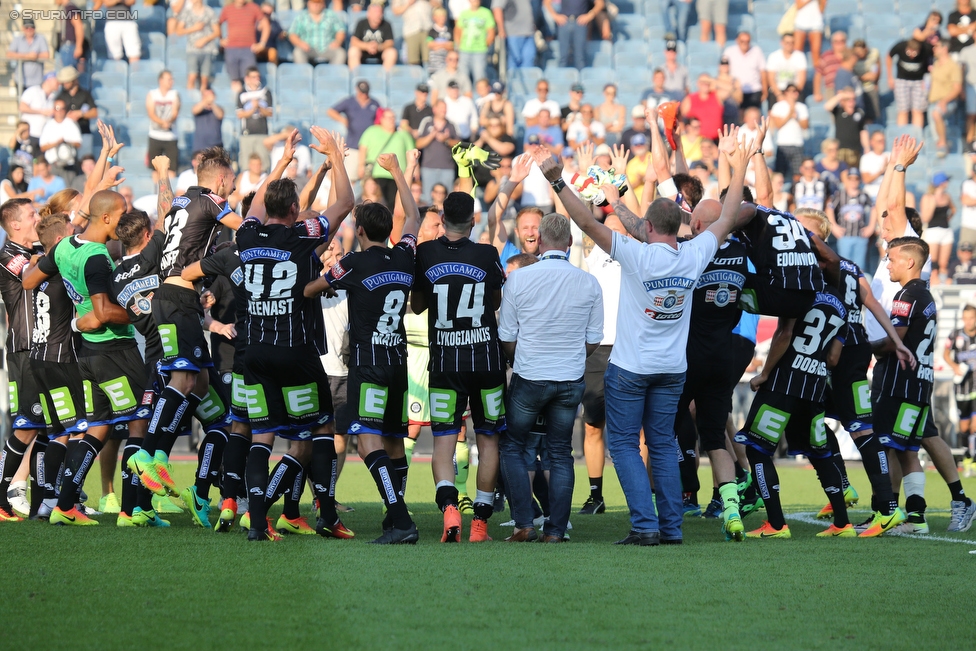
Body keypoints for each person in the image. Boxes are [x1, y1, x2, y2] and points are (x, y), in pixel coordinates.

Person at [534, 127, 758, 546]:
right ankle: (671, 527)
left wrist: (557, 180)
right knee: (660, 443)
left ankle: (645, 526)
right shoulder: (694, 253)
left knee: (622, 443)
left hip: (632, 366)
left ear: (648, 226)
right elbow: (728, 217)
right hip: (673, 368)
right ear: (681, 225)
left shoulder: (636, 253)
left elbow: (583, 220)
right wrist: (741, 162)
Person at [234, 129, 354, 542]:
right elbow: (345, 204)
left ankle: (256, 519)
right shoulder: (302, 236)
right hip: (295, 351)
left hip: (254, 352)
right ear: (296, 209)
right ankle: (324, 515)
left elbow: (253, 204)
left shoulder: (245, 236)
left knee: (261, 434)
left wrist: (281, 164)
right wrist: (336, 156)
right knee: (319, 431)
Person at [864, 135, 976, 533]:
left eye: (891, 236)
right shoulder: (901, 265)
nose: (884, 237)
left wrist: (898, 168)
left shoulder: (908, 272)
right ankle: (912, 511)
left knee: (899, 440)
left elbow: (890, 209)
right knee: (913, 439)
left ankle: (897, 507)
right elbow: (886, 209)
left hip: (897, 364)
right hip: (905, 366)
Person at [307, 152, 420, 543]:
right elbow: (416, 219)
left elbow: (310, 289)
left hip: (369, 363)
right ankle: (396, 515)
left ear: (358, 228)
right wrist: (399, 173)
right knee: (392, 441)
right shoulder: (405, 255)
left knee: (366, 441)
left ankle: (400, 517)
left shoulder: (352, 262)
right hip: (398, 361)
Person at [498, 213, 603, 543]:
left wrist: (520, 357)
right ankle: (555, 531)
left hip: (530, 375)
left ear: (540, 241)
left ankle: (523, 523)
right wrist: (572, 358)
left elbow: (507, 336)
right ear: (569, 243)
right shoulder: (588, 282)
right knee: (560, 454)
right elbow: (593, 339)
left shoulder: (519, 280)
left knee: (513, 448)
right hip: (570, 378)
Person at [412, 188, 506, 543]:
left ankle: (450, 506)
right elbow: (495, 299)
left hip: (445, 362)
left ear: (443, 220)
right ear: (471, 220)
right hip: (486, 360)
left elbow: (418, 305)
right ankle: (480, 523)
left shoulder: (426, 253)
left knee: (443, 443)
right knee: (489, 440)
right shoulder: (487, 254)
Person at [0, 198, 44, 522]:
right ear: (15, 224)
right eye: (32, 214)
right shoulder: (7, 257)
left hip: (45, 349)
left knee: (45, 424)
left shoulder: (33, 252)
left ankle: (45, 501)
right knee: (27, 426)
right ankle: (3, 496)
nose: (38, 218)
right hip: (23, 349)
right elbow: (30, 273)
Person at [328, 81, 382, 190]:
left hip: (370, 148)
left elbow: (380, 119)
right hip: (353, 145)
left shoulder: (374, 103)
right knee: (350, 177)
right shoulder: (350, 102)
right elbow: (331, 111)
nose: (364, 95)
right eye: (362, 92)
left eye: (365, 92)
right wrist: (343, 120)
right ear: (357, 90)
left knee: (369, 180)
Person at [359, 109, 415, 209]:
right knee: (378, 202)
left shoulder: (403, 134)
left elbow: (411, 152)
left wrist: (415, 170)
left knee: (395, 203)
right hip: (377, 174)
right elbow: (363, 148)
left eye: (393, 117)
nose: (392, 120)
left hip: (397, 175)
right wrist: (361, 166)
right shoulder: (372, 131)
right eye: (389, 117)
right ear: (382, 119)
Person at [945, 305, 976, 467]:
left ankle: (975, 459)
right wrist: (955, 367)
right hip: (961, 388)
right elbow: (945, 353)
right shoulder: (955, 335)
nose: (968, 322)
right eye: (966, 318)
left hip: (975, 387)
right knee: (964, 427)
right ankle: (967, 457)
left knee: (975, 425)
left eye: (971, 318)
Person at [219, 0, 270, 95]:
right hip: (231, 49)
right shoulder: (227, 9)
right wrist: (221, 39)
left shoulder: (253, 8)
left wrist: (262, 43)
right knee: (235, 82)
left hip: (248, 49)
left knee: (251, 80)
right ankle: (239, 105)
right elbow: (217, 23)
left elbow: (265, 24)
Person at [828, 167, 874, 269]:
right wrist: (833, 226)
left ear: (859, 180)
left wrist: (871, 226)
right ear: (847, 180)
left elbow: (874, 208)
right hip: (845, 235)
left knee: (859, 268)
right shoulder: (840, 195)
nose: (853, 181)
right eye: (851, 179)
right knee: (844, 267)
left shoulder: (864, 195)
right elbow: (829, 208)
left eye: (856, 179)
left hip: (860, 235)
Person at [416, 100, 460, 202]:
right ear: (434, 109)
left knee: (447, 199)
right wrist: (432, 135)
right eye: (441, 108)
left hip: (447, 167)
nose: (443, 110)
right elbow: (418, 143)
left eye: (445, 108)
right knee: (428, 198)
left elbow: (459, 144)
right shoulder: (427, 122)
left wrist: (446, 140)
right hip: (428, 167)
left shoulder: (451, 124)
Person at [543, 0, 604, 70]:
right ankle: (562, 78)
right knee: (563, 58)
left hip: (580, 23)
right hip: (564, 23)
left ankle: (580, 79)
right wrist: (555, 16)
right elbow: (546, 2)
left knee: (580, 58)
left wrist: (590, 15)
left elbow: (600, 3)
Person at [928, 39, 963, 158]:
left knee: (937, 113)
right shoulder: (936, 63)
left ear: (944, 48)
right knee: (934, 131)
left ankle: (943, 144)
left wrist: (944, 101)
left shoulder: (953, 65)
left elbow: (957, 88)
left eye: (936, 46)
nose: (934, 49)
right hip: (933, 101)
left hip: (947, 101)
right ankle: (941, 149)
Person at [920, 172, 956, 283]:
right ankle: (933, 283)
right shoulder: (927, 197)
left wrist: (947, 219)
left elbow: (953, 209)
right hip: (932, 231)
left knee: (943, 263)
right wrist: (933, 203)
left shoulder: (947, 196)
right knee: (933, 262)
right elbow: (926, 218)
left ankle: (944, 283)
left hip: (946, 230)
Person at [176, 0, 221, 90]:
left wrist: (205, 39)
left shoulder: (209, 12)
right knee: (192, 77)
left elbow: (217, 32)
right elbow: (179, 31)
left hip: (207, 50)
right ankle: (190, 100)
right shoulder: (186, 12)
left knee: (204, 79)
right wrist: (194, 28)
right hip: (192, 50)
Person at [887, 39, 930, 129]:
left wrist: (926, 81)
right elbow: (889, 56)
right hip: (902, 81)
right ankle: (902, 136)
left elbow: (931, 64)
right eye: (910, 52)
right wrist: (890, 77)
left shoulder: (926, 49)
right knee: (903, 110)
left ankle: (916, 136)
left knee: (918, 110)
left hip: (919, 82)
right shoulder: (900, 46)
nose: (912, 55)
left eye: (915, 53)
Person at [236, 66, 273, 172]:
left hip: (262, 133)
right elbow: (240, 114)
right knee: (246, 166)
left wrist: (259, 107)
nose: (257, 79)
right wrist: (252, 109)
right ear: (247, 78)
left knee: (264, 165)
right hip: (247, 134)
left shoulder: (266, 92)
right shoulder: (241, 93)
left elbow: (270, 112)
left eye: (258, 76)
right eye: (253, 77)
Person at [55, 67, 97, 159]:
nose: (64, 84)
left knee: (85, 159)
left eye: (67, 81)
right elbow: (55, 114)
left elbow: (94, 112)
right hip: (66, 135)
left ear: (74, 80)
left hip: (83, 131)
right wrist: (67, 117)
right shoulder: (61, 96)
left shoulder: (85, 94)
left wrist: (81, 114)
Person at [289, 0, 347, 65]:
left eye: (318, 3)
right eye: (314, 3)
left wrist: (338, 41)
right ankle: (304, 73)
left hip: (328, 47)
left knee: (341, 53)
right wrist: (300, 43)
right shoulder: (301, 17)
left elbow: (341, 30)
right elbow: (292, 34)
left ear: (323, 4)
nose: (316, 5)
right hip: (308, 48)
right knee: (297, 52)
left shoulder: (331, 15)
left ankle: (334, 73)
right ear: (308, 4)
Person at [40, 99, 82, 184]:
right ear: (54, 110)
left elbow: (78, 143)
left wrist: (66, 142)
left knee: (68, 192)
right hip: (53, 164)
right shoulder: (48, 125)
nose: (60, 111)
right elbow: (43, 147)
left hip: (68, 164)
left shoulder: (71, 124)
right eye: (57, 108)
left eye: (62, 108)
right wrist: (56, 143)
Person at [146, 71, 181, 173]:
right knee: (155, 169)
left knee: (171, 168)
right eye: (169, 79)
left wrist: (168, 122)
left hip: (171, 136)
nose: (171, 81)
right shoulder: (152, 94)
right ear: (161, 80)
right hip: (155, 135)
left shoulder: (175, 94)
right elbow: (151, 113)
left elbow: (175, 112)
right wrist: (162, 123)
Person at [455, 0, 495, 85]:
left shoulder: (486, 13)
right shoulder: (464, 13)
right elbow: (458, 29)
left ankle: (479, 96)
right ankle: (464, 95)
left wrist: (486, 44)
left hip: (479, 50)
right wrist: (459, 44)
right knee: (463, 75)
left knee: (479, 75)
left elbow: (491, 31)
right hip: (464, 49)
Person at [723, 31, 765, 111]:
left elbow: (762, 71)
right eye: (742, 41)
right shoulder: (729, 52)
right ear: (737, 41)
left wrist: (765, 90)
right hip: (736, 90)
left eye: (747, 41)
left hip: (754, 90)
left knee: (752, 115)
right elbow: (724, 70)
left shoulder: (756, 51)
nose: (745, 43)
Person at [824, 88, 868, 166]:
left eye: (853, 99)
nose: (851, 101)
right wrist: (840, 96)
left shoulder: (859, 112)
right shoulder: (838, 111)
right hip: (840, 149)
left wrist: (867, 147)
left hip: (855, 149)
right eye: (848, 99)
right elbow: (827, 106)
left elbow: (863, 131)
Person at [349, 2, 398, 70]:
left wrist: (379, 47)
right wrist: (367, 46)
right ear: (369, 14)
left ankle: (385, 78)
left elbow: (390, 42)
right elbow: (354, 41)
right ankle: (356, 77)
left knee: (392, 52)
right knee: (353, 51)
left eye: (380, 12)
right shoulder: (361, 23)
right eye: (375, 12)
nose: (378, 15)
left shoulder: (386, 24)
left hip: (380, 52)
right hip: (363, 52)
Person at [7, 19, 50, 91]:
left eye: (32, 27)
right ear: (23, 28)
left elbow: (46, 55)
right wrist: (27, 56)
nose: (29, 30)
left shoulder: (40, 38)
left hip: (37, 81)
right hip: (21, 81)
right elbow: (9, 54)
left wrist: (36, 56)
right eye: (27, 27)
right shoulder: (18, 39)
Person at [766, 32, 808, 106]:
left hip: (794, 91)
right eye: (787, 42)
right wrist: (779, 95)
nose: (789, 45)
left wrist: (792, 94)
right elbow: (771, 79)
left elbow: (801, 80)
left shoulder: (800, 56)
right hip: (777, 90)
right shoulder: (773, 56)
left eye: (792, 42)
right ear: (782, 43)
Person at [492, 0, 536, 69]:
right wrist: (501, 29)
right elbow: (497, 9)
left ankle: (528, 80)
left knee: (529, 61)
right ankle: (514, 80)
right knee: (514, 61)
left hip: (529, 32)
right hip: (512, 33)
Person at [681, 74, 723, 141]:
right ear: (698, 83)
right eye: (702, 82)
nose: (705, 84)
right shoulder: (690, 99)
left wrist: (714, 82)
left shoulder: (717, 95)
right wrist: (685, 136)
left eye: (707, 82)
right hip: (698, 141)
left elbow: (730, 92)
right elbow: (680, 118)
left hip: (716, 140)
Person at [19, 72, 60, 142]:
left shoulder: (53, 97)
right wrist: (42, 112)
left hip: (44, 136)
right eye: (56, 80)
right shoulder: (33, 91)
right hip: (30, 134)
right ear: (49, 80)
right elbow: (22, 107)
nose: (59, 83)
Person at [852, 39, 882, 123]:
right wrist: (862, 77)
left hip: (870, 88)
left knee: (873, 114)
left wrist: (875, 80)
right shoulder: (852, 58)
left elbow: (874, 74)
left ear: (865, 49)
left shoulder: (873, 54)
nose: (859, 54)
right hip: (857, 90)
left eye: (860, 52)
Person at [55, 0, 89, 71]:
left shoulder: (71, 8)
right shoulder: (65, 8)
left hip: (70, 47)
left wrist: (79, 46)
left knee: (69, 75)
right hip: (66, 47)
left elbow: (79, 26)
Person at [814, 30, 846, 103]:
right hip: (831, 89)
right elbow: (818, 74)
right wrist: (817, 93)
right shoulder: (826, 56)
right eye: (836, 42)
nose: (839, 44)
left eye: (842, 41)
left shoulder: (850, 56)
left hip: (847, 89)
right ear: (832, 43)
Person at [859, 130, 888, 204]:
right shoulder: (866, 158)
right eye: (879, 141)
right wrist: (881, 171)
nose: (882, 143)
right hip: (871, 194)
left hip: (888, 193)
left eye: (883, 141)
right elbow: (866, 179)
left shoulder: (890, 156)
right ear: (872, 142)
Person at [191, 89, 224, 153]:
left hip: (216, 145)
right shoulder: (199, 108)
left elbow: (220, 115)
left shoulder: (218, 108)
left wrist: (212, 103)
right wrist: (205, 101)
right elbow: (194, 110)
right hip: (200, 146)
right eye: (206, 95)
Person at [426, 6, 455, 74]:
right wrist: (445, 44)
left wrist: (438, 45)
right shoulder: (431, 31)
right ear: (434, 17)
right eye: (439, 16)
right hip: (435, 63)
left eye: (443, 16)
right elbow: (430, 44)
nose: (442, 18)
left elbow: (451, 45)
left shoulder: (449, 30)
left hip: (446, 61)